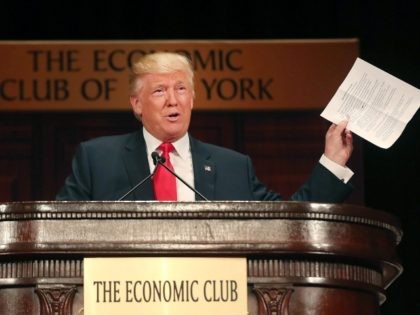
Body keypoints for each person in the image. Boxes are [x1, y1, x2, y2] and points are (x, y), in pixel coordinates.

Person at [56, 52, 354, 202]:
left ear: (193, 99)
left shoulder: (233, 167)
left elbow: (294, 223)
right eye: (159, 91)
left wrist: (332, 162)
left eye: (182, 89)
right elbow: (58, 230)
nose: (173, 100)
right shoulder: (98, 159)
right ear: (136, 104)